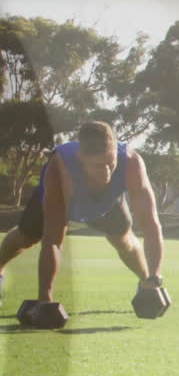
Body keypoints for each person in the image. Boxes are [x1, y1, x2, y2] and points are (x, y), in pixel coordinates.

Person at [0, 120, 166, 311]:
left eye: (110, 163)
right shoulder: (59, 167)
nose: (106, 172)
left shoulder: (132, 163)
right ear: (81, 158)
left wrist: (155, 277)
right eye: (97, 165)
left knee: (124, 240)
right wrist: (44, 301)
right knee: (26, 237)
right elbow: (53, 241)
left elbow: (151, 224)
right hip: (62, 198)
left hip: (106, 201)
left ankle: (145, 282)